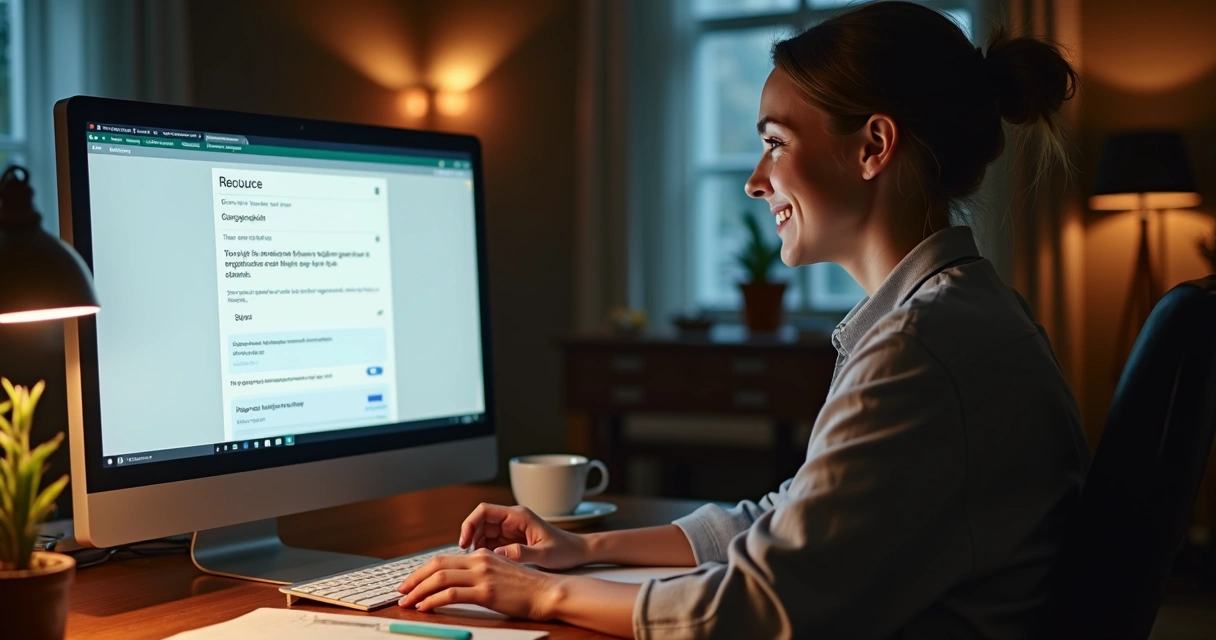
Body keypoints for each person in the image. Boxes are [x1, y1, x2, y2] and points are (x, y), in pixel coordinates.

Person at [396, 1, 1090, 637]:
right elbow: (788, 519)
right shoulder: (959, 311)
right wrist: (583, 549)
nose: (757, 179)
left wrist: (536, 594)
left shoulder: (919, 348)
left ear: (873, 146)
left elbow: (759, 606)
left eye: (778, 142)